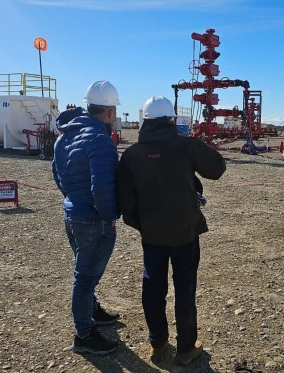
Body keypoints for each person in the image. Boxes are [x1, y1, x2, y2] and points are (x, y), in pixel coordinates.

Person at [116, 96, 226, 365]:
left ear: (144, 120)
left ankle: (158, 345)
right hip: (185, 233)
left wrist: (144, 226)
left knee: (153, 290)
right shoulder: (185, 145)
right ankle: (187, 348)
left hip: (152, 236)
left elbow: (125, 202)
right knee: (185, 289)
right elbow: (217, 168)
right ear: (172, 120)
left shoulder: (131, 155)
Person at [52, 81, 121, 355]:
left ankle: (92, 311)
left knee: (85, 270)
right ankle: (84, 335)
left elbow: (57, 175)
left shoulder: (64, 137)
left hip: (72, 213)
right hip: (93, 220)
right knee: (85, 277)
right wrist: (110, 215)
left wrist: (73, 199)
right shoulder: (100, 140)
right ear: (110, 112)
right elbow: (101, 186)